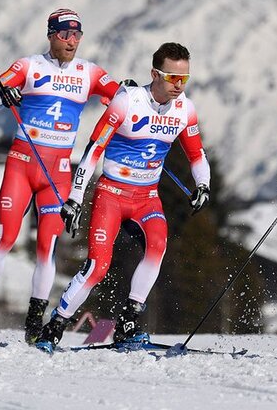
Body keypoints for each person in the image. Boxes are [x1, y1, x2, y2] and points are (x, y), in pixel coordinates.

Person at [0, 9, 121, 342]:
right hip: (21, 164)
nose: (72, 41)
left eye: (77, 35)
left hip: (57, 173)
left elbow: (121, 97)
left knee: (47, 248)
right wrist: (4, 92)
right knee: (6, 237)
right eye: (65, 34)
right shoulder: (29, 65)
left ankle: (33, 326)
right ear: (51, 35)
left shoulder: (90, 72)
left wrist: (129, 94)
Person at [33, 42, 211, 353]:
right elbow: (93, 152)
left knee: (157, 247)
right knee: (98, 266)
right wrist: (75, 197)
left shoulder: (186, 109)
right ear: (155, 74)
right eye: (173, 79)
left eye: (185, 79)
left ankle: (130, 319)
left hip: (147, 198)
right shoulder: (127, 102)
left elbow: (196, 156)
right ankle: (55, 324)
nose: (179, 87)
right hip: (112, 194)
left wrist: (203, 184)